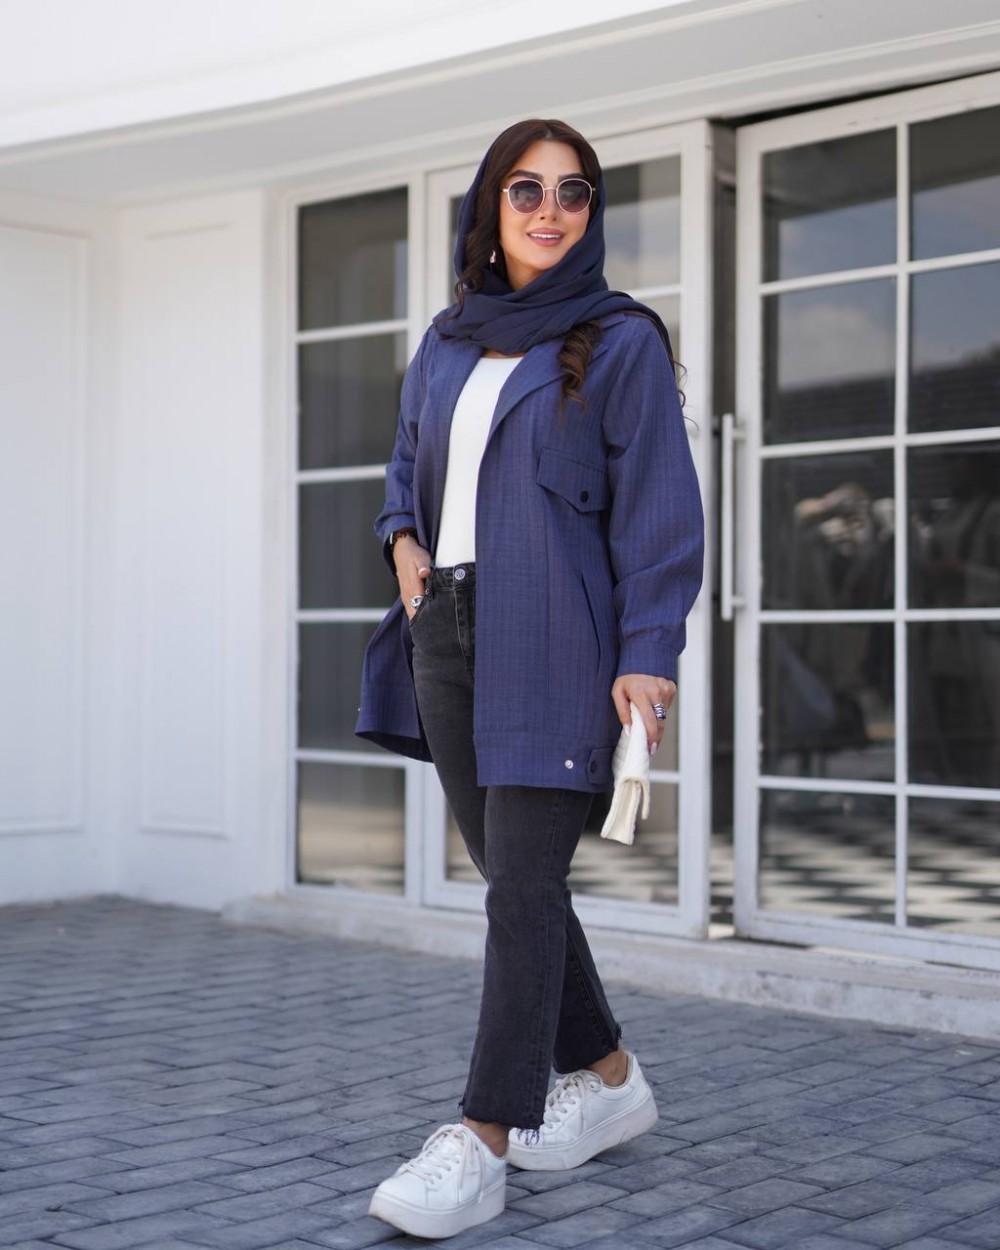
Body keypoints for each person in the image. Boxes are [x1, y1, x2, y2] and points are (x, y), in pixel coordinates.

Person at [356, 118, 704, 1240]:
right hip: (448, 633)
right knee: (519, 881)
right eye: (525, 189)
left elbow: (660, 511)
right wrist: (402, 542)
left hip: (558, 640)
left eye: (572, 191)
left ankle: (481, 1137)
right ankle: (609, 1078)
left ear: (592, 212)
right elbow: (405, 469)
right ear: (490, 208)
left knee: (517, 890)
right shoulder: (447, 341)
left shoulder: (620, 341)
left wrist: (648, 653)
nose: (550, 210)